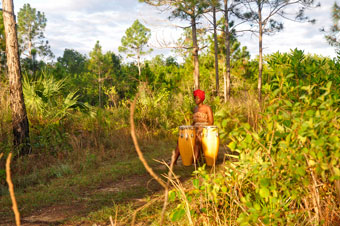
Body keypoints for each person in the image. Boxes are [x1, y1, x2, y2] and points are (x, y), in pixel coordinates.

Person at [172, 89, 214, 165]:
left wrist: (202, 129)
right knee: (181, 139)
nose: (195, 99)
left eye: (197, 98)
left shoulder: (207, 108)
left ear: (201, 98)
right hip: (195, 128)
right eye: (195, 98)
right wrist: (188, 128)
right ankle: (173, 161)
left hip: (204, 130)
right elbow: (194, 122)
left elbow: (211, 122)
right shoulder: (195, 108)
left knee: (197, 139)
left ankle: (195, 161)